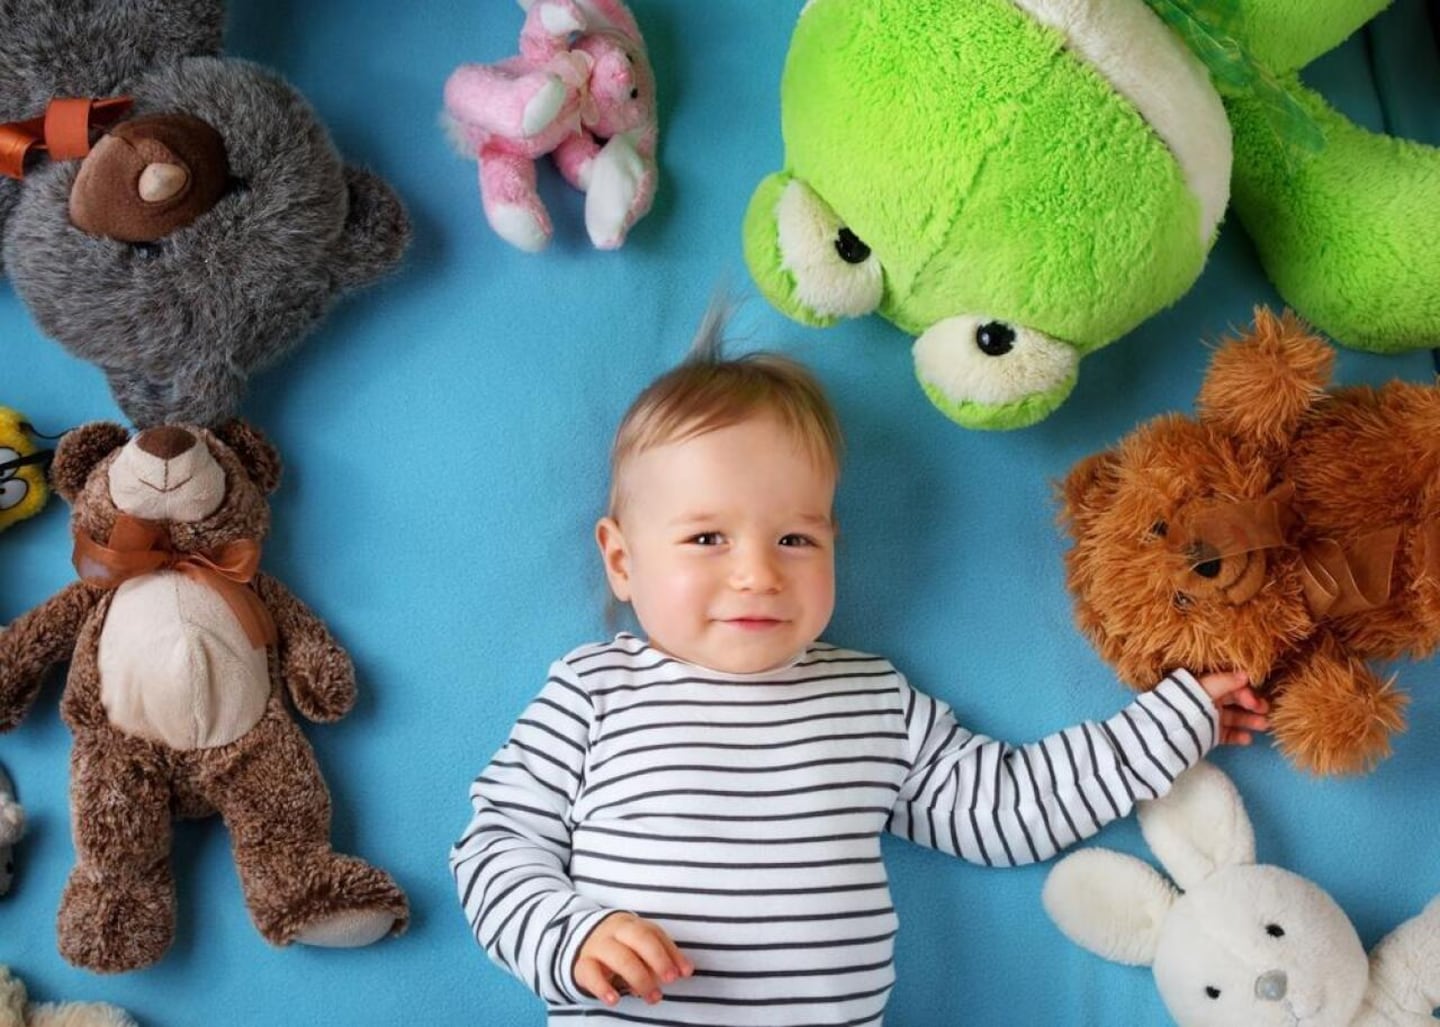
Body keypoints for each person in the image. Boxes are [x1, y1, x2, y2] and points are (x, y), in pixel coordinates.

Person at [449, 307, 1269, 1025]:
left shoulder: (870, 700)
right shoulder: (595, 692)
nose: (757, 573)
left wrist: (1166, 727)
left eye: (794, 538)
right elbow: (495, 847)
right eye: (706, 537)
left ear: (833, 544)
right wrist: (571, 934)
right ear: (622, 560)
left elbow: (1003, 807)